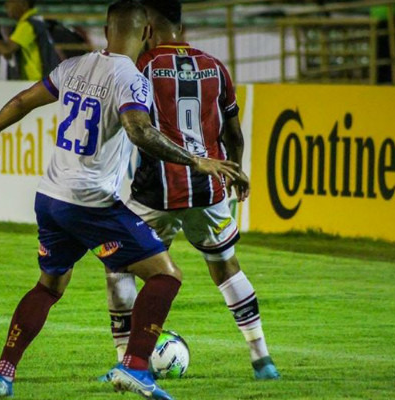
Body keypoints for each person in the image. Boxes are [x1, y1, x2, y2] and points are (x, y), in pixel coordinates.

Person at [0, 1, 241, 398]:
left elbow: (24, 100)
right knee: (166, 275)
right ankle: (134, 367)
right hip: (91, 202)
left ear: (104, 30)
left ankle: (2, 373)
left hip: (50, 199)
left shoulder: (74, 66)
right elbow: (138, 130)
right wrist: (196, 160)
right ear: (148, 33)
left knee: (49, 286)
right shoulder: (131, 78)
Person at [100, 0, 280, 381]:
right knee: (226, 267)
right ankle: (263, 360)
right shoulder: (216, 67)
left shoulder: (142, 66)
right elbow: (233, 132)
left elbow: (134, 126)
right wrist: (236, 169)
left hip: (157, 190)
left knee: (119, 266)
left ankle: (126, 360)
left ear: (147, 26)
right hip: (209, 187)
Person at [0, 0, 60, 81]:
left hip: (36, 82)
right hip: (44, 83)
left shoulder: (27, 25)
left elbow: (6, 49)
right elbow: (8, 54)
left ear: (23, 4)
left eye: (10, 1)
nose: (6, 5)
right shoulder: (36, 21)